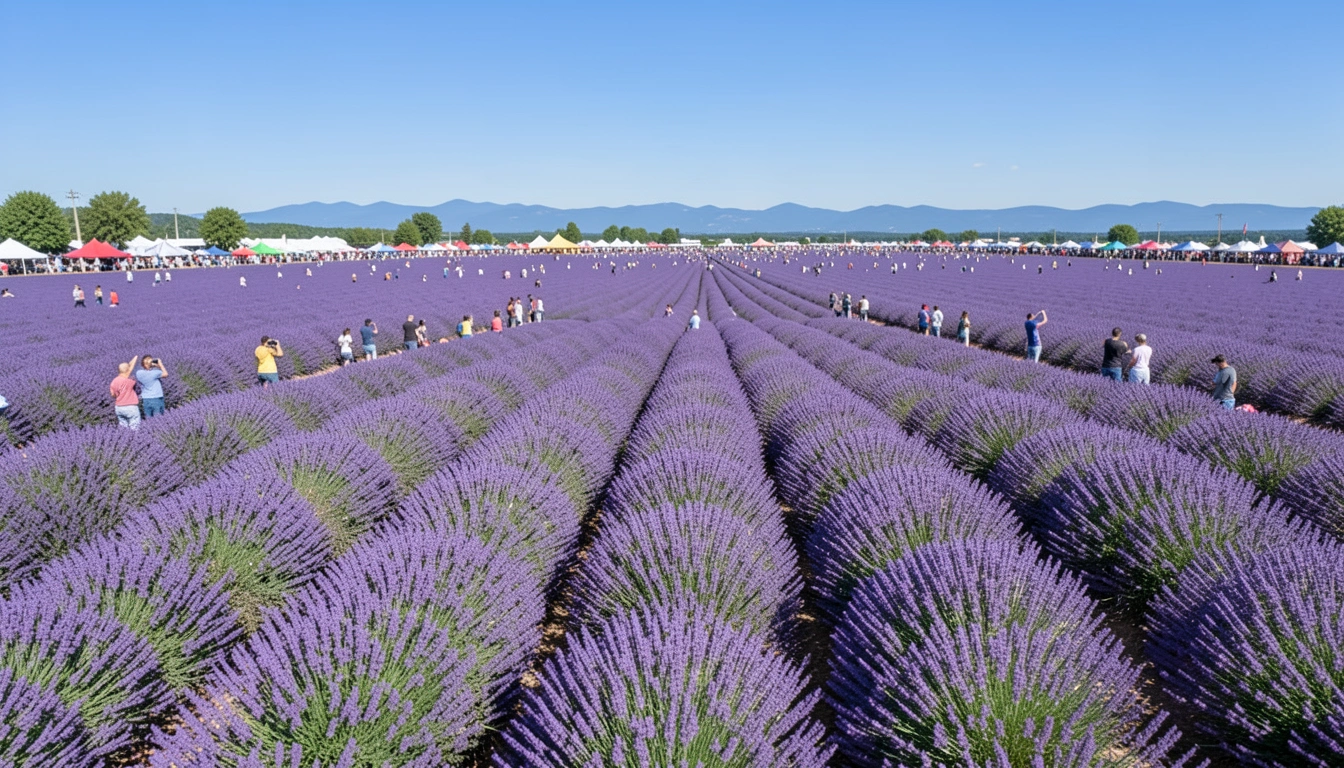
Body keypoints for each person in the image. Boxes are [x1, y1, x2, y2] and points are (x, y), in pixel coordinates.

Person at [110, 356, 142, 430]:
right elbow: (130, 369)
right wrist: (136, 357)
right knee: (135, 427)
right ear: (128, 370)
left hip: (119, 408)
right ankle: (134, 440)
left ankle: (124, 440)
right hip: (130, 407)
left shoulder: (114, 381)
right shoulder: (129, 381)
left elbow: (113, 394)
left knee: (123, 427)